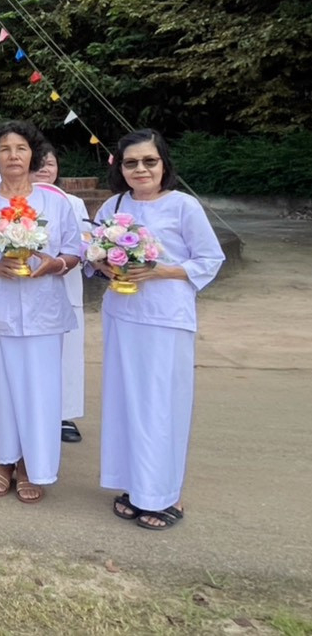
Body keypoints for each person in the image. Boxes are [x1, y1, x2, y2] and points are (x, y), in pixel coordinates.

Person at [93, 129, 224, 531]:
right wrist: (107, 266)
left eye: (149, 161)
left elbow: (209, 258)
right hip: (122, 315)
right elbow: (92, 256)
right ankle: (134, 488)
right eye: (131, 162)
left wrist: (159, 270)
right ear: (121, 167)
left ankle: (167, 495)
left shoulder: (183, 206)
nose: (141, 169)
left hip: (166, 318)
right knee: (126, 403)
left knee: (162, 407)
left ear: (163, 163)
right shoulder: (113, 206)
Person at [0, 121, 83, 504]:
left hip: (44, 312)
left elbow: (74, 251)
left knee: (40, 391)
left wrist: (54, 264)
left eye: (21, 148)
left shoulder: (55, 202)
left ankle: (33, 465)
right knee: (0, 390)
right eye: (6, 149)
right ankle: (5, 460)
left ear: (33, 155)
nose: (13, 155)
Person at [32, 150, 92, 444]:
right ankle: (34, 412)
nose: (44, 168)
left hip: (65, 283)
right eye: (39, 163)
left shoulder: (74, 202)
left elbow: (87, 244)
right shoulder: (13, 200)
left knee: (68, 352)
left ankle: (64, 413)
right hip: (27, 285)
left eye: (51, 163)